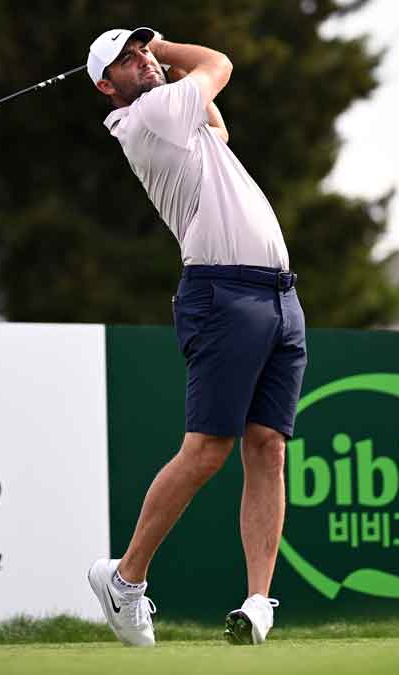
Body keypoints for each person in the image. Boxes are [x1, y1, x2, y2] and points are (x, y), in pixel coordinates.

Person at [84, 27, 308, 647]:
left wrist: (156, 58)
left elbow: (218, 121)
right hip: (222, 294)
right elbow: (219, 64)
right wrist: (168, 43)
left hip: (278, 296)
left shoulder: (179, 115)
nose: (142, 62)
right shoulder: (149, 114)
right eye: (127, 61)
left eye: (142, 52)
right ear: (108, 88)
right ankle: (125, 581)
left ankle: (259, 602)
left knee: (268, 447)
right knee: (208, 449)